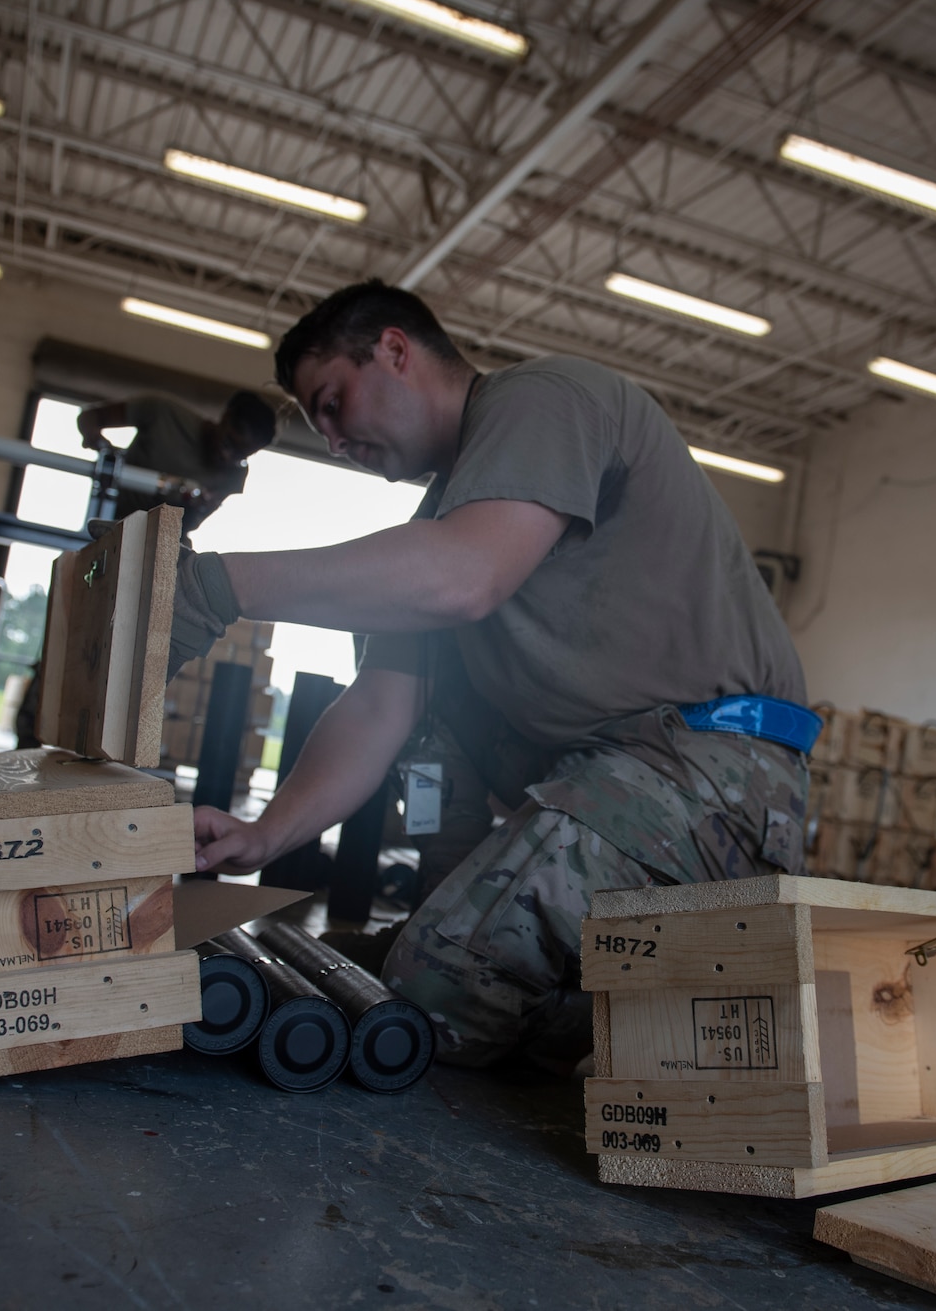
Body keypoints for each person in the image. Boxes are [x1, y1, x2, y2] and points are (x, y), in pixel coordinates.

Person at [172, 280, 813, 1070]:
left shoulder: (544, 399)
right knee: (427, 704)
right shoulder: (446, 518)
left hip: (717, 775)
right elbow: (377, 708)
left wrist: (222, 585)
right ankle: (459, 935)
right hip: (613, 776)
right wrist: (264, 831)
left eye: (332, 402)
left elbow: (464, 575)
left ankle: (652, 1010)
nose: (332, 439)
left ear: (396, 350)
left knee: (435, 993)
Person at [76, 390, 278, 530]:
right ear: (226, 416)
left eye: (240, 456)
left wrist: (198, 507)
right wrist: (105, 450)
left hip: (158, 543)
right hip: (109, 519)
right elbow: (91, 417)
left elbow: (189, 525)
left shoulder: (234, 475)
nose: (227, 457)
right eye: (228, 443)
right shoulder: (162, 412)